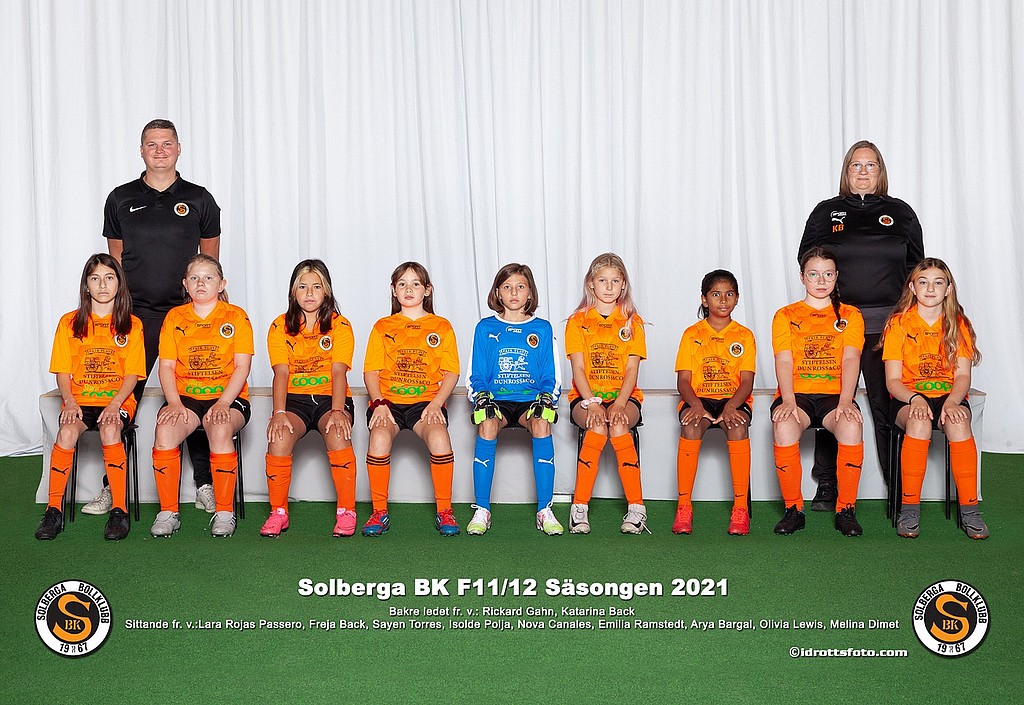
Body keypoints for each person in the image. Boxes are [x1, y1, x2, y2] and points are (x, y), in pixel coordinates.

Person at [90, 119, 222, 518]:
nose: (160, 150)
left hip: (188, 314)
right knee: (124, 396)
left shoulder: (200, 199)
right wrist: (118, 311)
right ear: (141, 150)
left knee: (194, 393)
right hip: (138, 315)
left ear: (179, 149)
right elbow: (115, 263)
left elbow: (209, 263)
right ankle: (111, 488)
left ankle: (204, 484)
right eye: (152, 144)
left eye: (167, 143)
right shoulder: (120, 198)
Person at [798, 140, 924, 511]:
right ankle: (827, 484)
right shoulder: (826, 212)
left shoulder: (900, 212)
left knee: (887, 405)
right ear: (846, 171)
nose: (863, 171)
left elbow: (916, 268)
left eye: (871, 165)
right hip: (836, 326)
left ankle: (897, 485)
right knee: (832, 402)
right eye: (856, 165)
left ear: (880, 171)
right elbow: (808, 261)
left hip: (887, 328)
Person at [35, 254, 146, 541]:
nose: (102, 285)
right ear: (86, 285)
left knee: (110, 429)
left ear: (119, 283)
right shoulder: (69, 322)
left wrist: (114, 404)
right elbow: (62, 371)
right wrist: (70, 401)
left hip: (118, 400)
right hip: (80, 399)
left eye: (109, 278)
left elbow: (132, 375)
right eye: (95, 278)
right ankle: (53, 511)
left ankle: (119, 511)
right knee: (66, 432)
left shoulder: (131, 324)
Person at [880, 258, 986, 539]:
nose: (930, 289)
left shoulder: (958, 324)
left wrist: (952, 402)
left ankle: (971, 510)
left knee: (959, 423)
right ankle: (909, 509)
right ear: (912, 288)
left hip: (949, 396)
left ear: (948, 289)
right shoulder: (899, 324)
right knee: (919, 423)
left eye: (938, 282)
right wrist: (915, 398)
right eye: (923, 282)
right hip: (908, 398)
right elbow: (892, 381)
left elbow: (963, 376)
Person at [150, 255, 253, 538]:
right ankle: (168, 512)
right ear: (185, 284)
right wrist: (173, 402)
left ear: (221, 284)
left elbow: (242, 366)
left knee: (219, 426)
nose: (201, 283)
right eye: (194, 278)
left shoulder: (236, 316)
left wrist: (224, 402)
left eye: (208, 278)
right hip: (185, 396)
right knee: (165, 429)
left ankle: (225, 512)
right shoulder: (175, 317)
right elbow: (166, 366)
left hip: (228, 396)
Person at [361, 262, 461, 537]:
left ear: (427, 290)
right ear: (394, 290)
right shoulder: (383, 326)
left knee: (439, 437)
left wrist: (436, 403)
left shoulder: (441, 326)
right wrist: (379, 403)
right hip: (388, 403)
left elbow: (451, 372)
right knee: (379, 438)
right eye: (402, 284)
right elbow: (371, 371)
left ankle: (445, 510)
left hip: (426, 403)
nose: (409, 289)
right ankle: (379, 512)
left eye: (416, 283)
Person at [771, 247, 865, 537]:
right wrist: (788, 400)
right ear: (802, 277)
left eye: (827, 274)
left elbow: (851, 358)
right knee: (784, 425)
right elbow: (783, 360)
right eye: (813, 274)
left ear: (836, 276)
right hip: (796, 394)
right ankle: (793, 510)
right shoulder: (785, 315)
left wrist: (846, 401)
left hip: (834, 395)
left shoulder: (851, 315)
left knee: (850, 425)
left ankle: (845, 509)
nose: (821, 281)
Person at [260, 260, 358, 538]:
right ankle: (278, 512)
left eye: (316, 287)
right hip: (294, 400)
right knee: (279, 436)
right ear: (293, 292)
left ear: (326, 291)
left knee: (337, 432)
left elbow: (338, 372)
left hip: (330, 398)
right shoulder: (280, 325)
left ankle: (347, 511)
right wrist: (279, 413)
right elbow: (281, 372)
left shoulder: (340, 325)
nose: (309, 293)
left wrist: (338, 411)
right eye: (302, 287)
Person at [466, 263, 564, 536]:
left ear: (530, 292)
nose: (513, 292)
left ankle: (545, 510)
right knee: (486, 422)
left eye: (520, 287)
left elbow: (551, 375)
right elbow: (476, 373)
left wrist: (546, 398)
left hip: (530, 401)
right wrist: (481, 397)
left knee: (542, 422)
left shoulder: (542, 328)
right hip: (496, 400)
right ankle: (482, 509)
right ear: (497, 292)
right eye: (507, 287)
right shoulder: (485, 327)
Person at [565, 253, 648, 535]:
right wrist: (591, 403)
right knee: (597, 425)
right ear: (591, 283)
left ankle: (637, 508)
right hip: (586, 397)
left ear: (623, 284)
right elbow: (578, 369)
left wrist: (620, 404)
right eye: (603, 280)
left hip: (624, 397)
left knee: (620, 424)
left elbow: (632, 371)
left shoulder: (632, 322)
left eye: (615, 280)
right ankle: (579, 507)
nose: (609, 287)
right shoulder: (577, 321)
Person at [673, 270, 755, 536]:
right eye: (716, 294)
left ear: (737, 298)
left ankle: (740, 509)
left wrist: (731, 406)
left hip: (734, 398)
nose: (723, 300)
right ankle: (684, 507)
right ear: (704, 299)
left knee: (737, 427)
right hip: (698, 398)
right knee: (691, 427)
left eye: (729, 294)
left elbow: (747, 381)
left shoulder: (744, 335)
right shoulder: (691, 334)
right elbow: (683, 381)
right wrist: (696, 406)